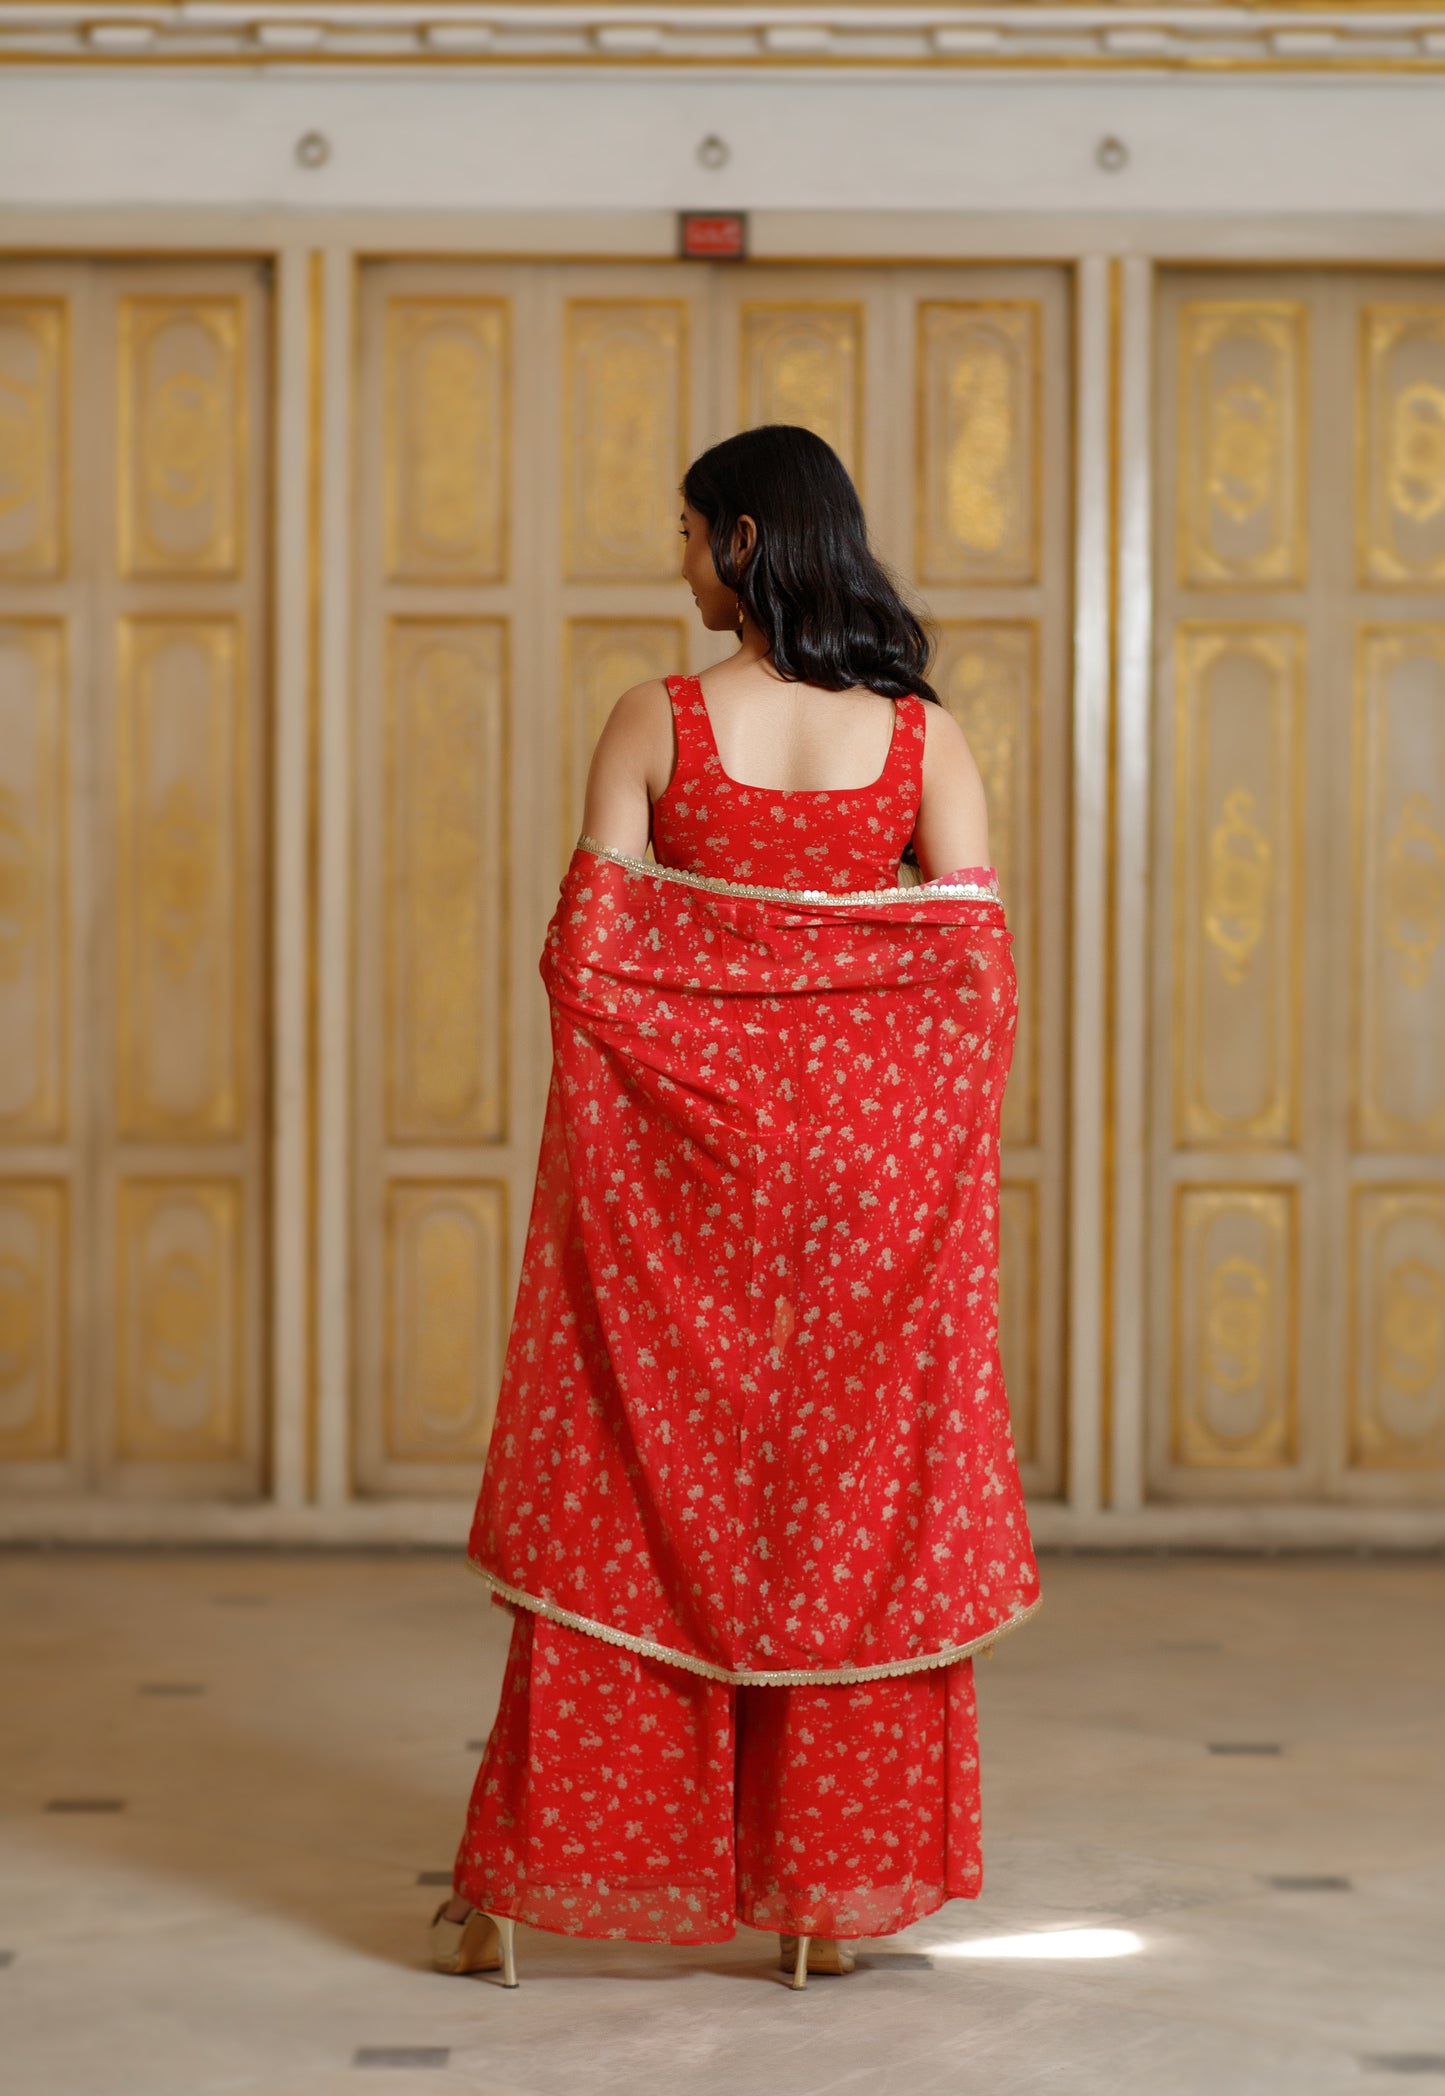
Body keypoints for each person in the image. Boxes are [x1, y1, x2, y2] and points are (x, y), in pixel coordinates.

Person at [430, 424, 1040, 1992]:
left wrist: (715, 1067)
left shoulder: (661, 719)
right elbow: (968, 977)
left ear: (750, 543)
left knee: (629, 1507)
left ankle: (511, 1892)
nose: (677, 560)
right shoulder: (920, 741)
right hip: (865, 1199)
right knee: (845, 1513)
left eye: (692, 534)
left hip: (678, 1198)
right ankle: (820, 1902)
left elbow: (592, 961)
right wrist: (861, 1106)